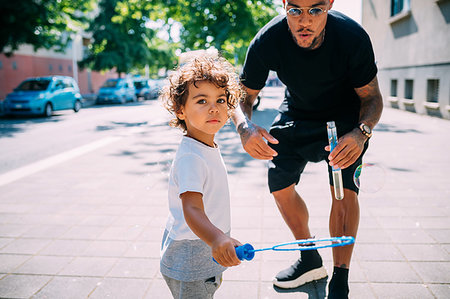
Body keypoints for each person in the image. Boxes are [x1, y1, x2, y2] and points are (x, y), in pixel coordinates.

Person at [232, 0, 383, 298]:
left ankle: (340, 280)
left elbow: (373, 98)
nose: (304, 21)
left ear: (329, 4)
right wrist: (245, 128)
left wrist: (361, 133)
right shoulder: (268, 39)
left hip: (345, 120)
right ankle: (309, 257)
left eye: (315, 10)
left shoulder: (352, 37)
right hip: (297, 113)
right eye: (295, 10)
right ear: (284, 5)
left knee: (342, 190)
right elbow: (242, 97)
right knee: (278, 181)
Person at [160, 54, 244, 299]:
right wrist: (218, 238)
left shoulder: (204, 146)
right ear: (180, 110)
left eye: (220, 99)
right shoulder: (191, 157)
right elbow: (192, 209)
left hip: (203, 251)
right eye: (201, 100)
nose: (213, 107)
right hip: (192, 261)